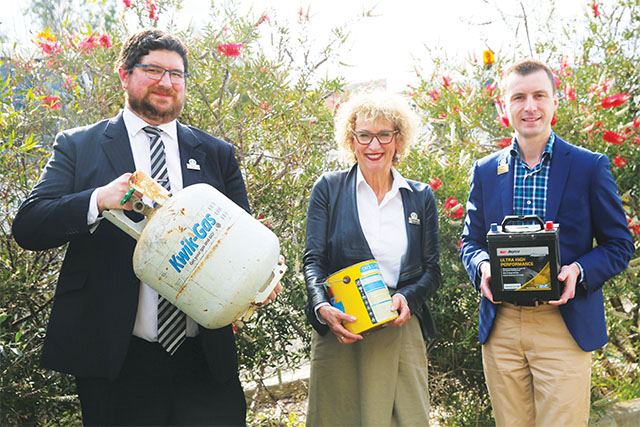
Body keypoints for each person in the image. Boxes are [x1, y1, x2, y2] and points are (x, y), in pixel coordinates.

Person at [12, 28, 281, 426]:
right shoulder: (79, 145)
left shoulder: (215, 153)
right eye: (153, 70)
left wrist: (261, 281)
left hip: (204, 358)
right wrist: (98, 199)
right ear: (124, 74)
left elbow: (240, 243)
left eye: (177, 74)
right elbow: (29, 225)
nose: (166, 82)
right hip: (117, 359)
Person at [460, 59, 634, 426]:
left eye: (539, 95)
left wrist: (579, 270)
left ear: (555, 101)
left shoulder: (589, 166)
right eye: (519, 97)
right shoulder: (486, 171)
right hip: (502, 327)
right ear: (504, 106)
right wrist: (483, 267)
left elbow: (619, 243)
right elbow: (470, 243)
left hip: (562, 324)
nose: (530, 106)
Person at [303, 91, 441, 426]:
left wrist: (407, 297)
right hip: (345, 328)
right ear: (351, 141)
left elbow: (432, 271)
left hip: (401, 329)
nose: (373, 145)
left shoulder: (420, 198)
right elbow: (313, 261)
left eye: (383, 134)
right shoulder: (329, 189)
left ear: (399, 139)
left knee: (408, 418)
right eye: (364, 135)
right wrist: (322, 307)